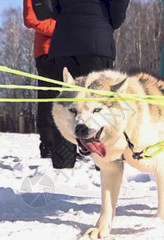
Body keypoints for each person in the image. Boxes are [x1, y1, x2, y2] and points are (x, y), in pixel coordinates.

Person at [48, 0, 130, 169]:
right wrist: (109, 21)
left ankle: (63, 162)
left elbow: (44, 9)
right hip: (97, 37)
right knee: (102, 103)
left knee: (67, 103)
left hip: (63, 38)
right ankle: (106, 161)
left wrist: (63, 14)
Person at [23, 0, 58, 159]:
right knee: (48, 96)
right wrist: (61, 28)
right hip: (46, 51)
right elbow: (31, 19)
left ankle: (68, 144)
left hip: (72, 48)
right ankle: (49, 143)